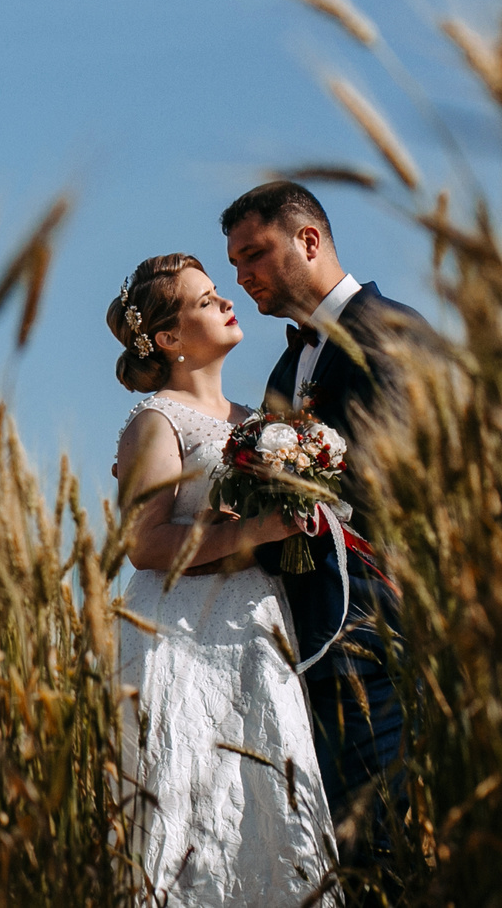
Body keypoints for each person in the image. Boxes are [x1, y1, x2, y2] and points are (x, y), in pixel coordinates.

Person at [221, 180, 439, 905]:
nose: (242, 274)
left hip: (386, 630)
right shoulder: (288, 369)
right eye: (234, 262)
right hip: (314, 641)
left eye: (255, 253)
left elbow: (410, 480)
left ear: (308, 239)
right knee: (346, 839)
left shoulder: (388, 328)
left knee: (392, 828)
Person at [109, 252, 337, 907]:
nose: (225, 302)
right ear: (171, 338)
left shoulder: (257, 420)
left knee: (271, 803)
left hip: (259, 631)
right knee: (195, 810)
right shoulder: (159, 420)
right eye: (205, 300)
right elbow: (145, 543)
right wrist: (257, 530)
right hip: (185, 636)